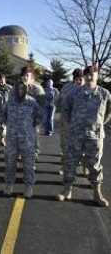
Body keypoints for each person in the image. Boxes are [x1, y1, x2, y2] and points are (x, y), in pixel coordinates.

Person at [57, 65, 110, 207]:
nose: (89, 76)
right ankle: (67, 190)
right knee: (71, 162)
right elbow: (65, 110)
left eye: (92, 74)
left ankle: (97, 193)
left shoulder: (104, 94)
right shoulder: (73, 93)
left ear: (98, 75)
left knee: (95, 165)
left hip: (95, 136)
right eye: (86, 74)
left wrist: (97, 125)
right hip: (76, 134)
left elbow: (107, 113)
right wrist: (72, 125)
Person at [1, 81, 43, 198]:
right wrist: (8, 126)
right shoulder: (10, 102)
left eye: (22, 89)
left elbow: (39, 115)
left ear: (25, 90)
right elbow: (2, 115)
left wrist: (30, 127)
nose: (20, 91)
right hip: (12, 138)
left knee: (28, 163)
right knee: (10, 162)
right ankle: (9, 184)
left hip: (27, 138)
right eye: (18, 89)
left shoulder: (31, 102)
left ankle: (28, 186)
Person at [59, 69, 84, 175]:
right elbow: (59, 102)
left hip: (82, 123)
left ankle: (84, 166)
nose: (77, 80)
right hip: (67, 122)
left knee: (83, 147)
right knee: (65, 146)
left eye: (80, 78)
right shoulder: (67, 87)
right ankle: (64, 168)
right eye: (76, 78)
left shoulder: (86, 88)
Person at [18, 66, 46, 159]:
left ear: (32, 77)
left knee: (33, 139)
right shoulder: (17, 88)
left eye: (27, 75)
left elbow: (43, 105)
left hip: (33, 120)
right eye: (23, 75)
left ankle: (33, 155)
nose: (25, 77)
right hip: (20, 119)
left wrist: (38, 119)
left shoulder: (37, 89)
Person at [0, 73, 13, 151]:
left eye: (3, 79)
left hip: (7, 111)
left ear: (5, 80)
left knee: (6, 128)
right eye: (0, 79)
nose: (1, 81)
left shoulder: (10, 88)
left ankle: (3, 141)